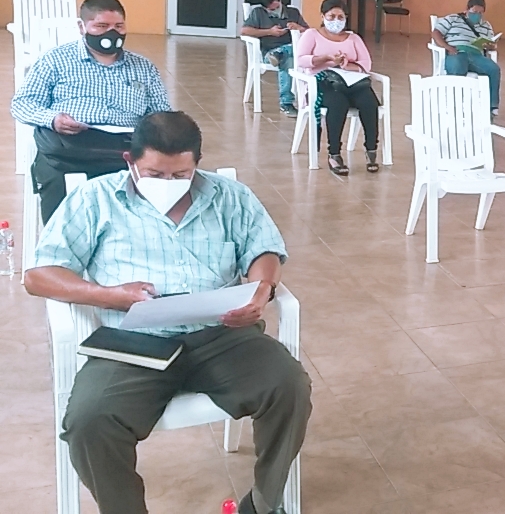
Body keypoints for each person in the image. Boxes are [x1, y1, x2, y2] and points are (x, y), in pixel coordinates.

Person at [24, 111, 310, 514]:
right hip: (132, 344)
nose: (168, 183)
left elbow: (263, 249)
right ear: (130, 160)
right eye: (155, 174)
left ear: (197, 164)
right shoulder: (95, 199)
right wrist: (108, 295)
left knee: (289, 387)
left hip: (221, 335)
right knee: (89, 421)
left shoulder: (230, 196)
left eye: (180, 175)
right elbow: (39, 276)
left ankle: (263, 504)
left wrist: (261, 290)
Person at [11, 0, 171, 223]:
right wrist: (53, 119)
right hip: (69, 148)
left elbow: (161, 115)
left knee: (156, 188)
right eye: (102, 26)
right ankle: (61, 243)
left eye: (118, 26)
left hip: (123, 150)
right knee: (58, 193)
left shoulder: (143, 67)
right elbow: (22, 103)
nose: (112, 33)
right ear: (81, 27)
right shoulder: (55, 60)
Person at [296, 0, 381, 175]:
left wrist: (347, 65)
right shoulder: (312, 34)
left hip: (351, 81)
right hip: (323, 83)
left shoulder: (353, 38)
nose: (336, 21)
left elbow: (366, 63)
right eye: (331, 16)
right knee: (338, 104)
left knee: (369, 102)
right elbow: (301, 60)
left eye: (340, 17)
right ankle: (334, 154)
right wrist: (326, 59)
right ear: (323, 16)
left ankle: (371, 149)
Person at [241, 0, 308, 117]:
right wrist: (269, 32)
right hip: (269, 53)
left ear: (281, 1)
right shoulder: (258, 13)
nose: (275, 11)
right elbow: (244, 31)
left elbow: (309, 33)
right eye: (271, 9)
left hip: (291, 52)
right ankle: (286, 103)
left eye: (277, 7)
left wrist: (299, 28)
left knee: (290, 55)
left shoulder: (293, 12)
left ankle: (280, 52)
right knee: (288, 61)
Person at [433, 0, 502, 116]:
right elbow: (436, 33)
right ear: (467, 9)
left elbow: (491, 43)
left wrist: (490, 46)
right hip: (457, 52)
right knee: (457, 66)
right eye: (474, 12)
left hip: (476, 55)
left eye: (480, 13)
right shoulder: (453, 18)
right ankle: (455, 103)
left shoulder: (486, 25)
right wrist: (447, 47)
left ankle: (492, 106)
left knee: (494, 69)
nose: (477, 15)